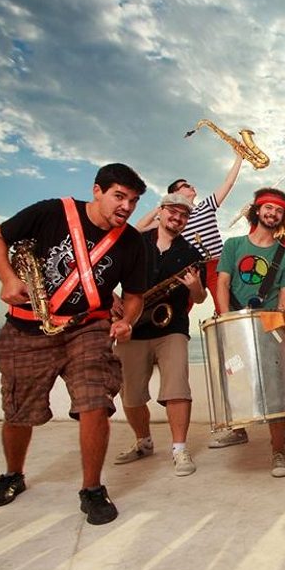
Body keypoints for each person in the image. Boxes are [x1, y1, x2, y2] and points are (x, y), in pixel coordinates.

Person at [0, 163, 148, 526]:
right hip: (27, 328)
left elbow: (134, 296)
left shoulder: (132, 241)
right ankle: (13, 474)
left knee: (95, 402)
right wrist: (7, 279)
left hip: (87, 328)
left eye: (133, 201)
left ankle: (92, 489)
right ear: (97, 190)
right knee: (18, 411)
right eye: (120, 196)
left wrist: (125, 320)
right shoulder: (50, 212)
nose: (127, 207)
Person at [112, 193, 207, 476]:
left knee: (177, 388)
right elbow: (107, 272)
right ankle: (143, 442)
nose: (177, 219)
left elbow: (201, 298)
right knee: (130, 394)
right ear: (161, 211)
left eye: (183, 215)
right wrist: (109, 298)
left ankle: (179, 449)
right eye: (173, 212)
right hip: (131, 325)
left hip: (172, 327)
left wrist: (194, 286)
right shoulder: (136, 242)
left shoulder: (191, 254)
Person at [212, 187, 285, 477]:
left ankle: (278, 451)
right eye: (268, 208)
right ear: (257, 210)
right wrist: (226, 323)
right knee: (235, 378)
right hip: (235, 322)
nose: (272, 214)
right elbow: (222, 283)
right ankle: (237, 431)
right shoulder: (234, 245)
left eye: (278, 210)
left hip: (268, 325)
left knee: (276, 391)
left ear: (282, 216)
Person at [135, 153, 244, 314]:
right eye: (185, 185)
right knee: (179, 308)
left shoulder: (205, 206)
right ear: (175, 193)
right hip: (190, 268)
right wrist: (163, 206)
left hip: (216, 264)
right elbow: (139, 228)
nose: (191, 186)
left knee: (225, 308)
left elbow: (228, 183)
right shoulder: (172, 218)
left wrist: (239, 158)